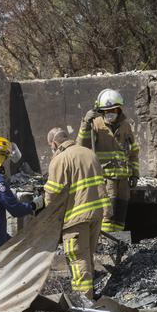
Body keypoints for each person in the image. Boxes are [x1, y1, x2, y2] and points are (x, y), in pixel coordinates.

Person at [45, 127, 110, 298]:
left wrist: (49, 216)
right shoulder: (89, 153)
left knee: (77, 258)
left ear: (54, 143)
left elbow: (53, 193)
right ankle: (90, 293)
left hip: (75, 218)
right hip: (96, 214)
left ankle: (83, 299)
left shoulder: (60, 159)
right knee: (87, 255)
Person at [77, 89, 139, 233]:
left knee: (120, 215)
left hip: (123, 180)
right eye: (106, 110)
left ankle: (118, 244)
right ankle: (105, 243)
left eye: (113, 109)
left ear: (119, 109)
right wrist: (85, 123)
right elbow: (81, 145)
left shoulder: (126, 125)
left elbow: (134, 151)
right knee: (107, 214)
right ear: (102, 111)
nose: (110, 112)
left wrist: (135, 173)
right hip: (105, 179)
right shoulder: (96, 124)